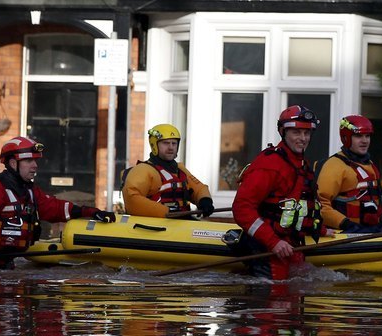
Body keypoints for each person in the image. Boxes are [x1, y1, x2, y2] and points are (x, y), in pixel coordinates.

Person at [0, 136, 115, 264]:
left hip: (7, 265)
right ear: (13, 163)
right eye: (29, 160)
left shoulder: (30, 192)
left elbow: (55, 208)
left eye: (35, 160)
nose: (35, 165)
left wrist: (92, 212)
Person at [232, 105, 328, 280]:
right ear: (283, 132)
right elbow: (242, 207)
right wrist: (273, 242)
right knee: (277, 294)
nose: (303, 138)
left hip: (288, 243)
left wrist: (318, 229)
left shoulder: (301, 164)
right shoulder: (270, 165)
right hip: (266, 246)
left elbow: (299, 205)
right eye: (296, 132)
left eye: (307, 133)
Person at [122, 123, 215, 218]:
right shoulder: (143, 170)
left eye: (174, 143)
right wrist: (167, 212)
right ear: (154, 145)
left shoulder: (180, 170)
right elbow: (132, 199)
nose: (171, 147)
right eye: (166, 143)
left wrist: (205, 200)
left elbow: (199, 188)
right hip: (155, 224)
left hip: (181, 222)